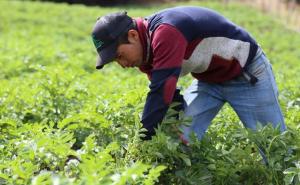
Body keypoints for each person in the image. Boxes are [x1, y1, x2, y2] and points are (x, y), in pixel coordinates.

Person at [91, 6, 286, 143]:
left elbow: (160, 93)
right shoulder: (144, 52)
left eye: (119, 56)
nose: (123, 64)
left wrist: (140, 141)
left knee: (273, 146)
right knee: (180, 137)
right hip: (209, 81)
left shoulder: (166, 32)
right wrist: (171, 124)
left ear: (133, 35)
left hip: (247, 74)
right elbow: (170, 97)